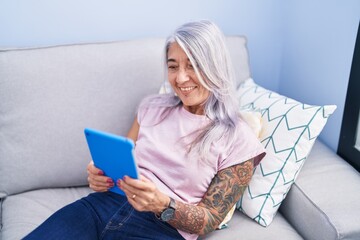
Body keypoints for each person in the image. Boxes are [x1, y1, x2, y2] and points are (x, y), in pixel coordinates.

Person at [24, 20, 265, 240]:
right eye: (173, 66)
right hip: (103, 205)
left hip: (161, 229)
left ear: (215, 67)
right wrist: (101, 176)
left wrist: (162, 204)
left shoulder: (238, 139)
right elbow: (124, 161)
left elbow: (209, 220)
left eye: (192, 66)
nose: (180, 78)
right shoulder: (152, 107)